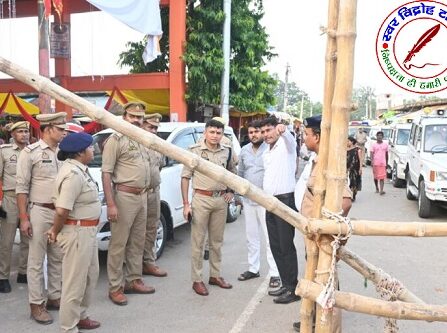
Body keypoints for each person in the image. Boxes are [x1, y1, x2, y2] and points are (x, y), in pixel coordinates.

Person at [293, 115, 352, 332]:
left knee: (326, 279)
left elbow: (345, 201)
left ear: (316, 137)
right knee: (318, 277)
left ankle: (326, 323)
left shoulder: (329, 164)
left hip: (322, 237)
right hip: (313, 234)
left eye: (306, 135)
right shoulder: (317, 159)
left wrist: (326, 228)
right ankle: (317, 318)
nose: (304, 138)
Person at [47, 132, 101, 333]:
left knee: (90, 276)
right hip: (77, 232)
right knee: (74, 282)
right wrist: (54, 230)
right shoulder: (72, 175)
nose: (93, 150)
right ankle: (68, 327)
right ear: (80, 152)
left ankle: (81, 315)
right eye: (89, 148)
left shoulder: (81, 170)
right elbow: (62, 210)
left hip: (88, 231)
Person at [16, 112, 67, 324]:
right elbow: (21, 188)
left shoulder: (65, 152)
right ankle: (36, 304)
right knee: (36, 260)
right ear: (47, 129)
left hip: (60, 212)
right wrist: (24, 218)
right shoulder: (30, 152)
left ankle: (55, 297)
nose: (64, 132)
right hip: (39, 211)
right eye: (60, 128)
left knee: (57, 257)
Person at [102, 101, 154, 306]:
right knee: (118, 244)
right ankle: (115, 287)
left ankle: (134, 280)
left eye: (140, 117)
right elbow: (106, 172)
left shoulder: (143, 139)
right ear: (124, 117)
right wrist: (111, 204)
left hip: (142, 197)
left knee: (137, 241)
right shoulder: (115, 139)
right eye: (133, 116)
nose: (137, 120)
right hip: (124, 197)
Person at [181, 119, 237, 296]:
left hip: (220, 201)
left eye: (218, 133)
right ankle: (197, 280)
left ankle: (215, 275)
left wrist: (231, 190)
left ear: (222, 135)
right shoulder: (194, 152)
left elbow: (231, 173)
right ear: (205, 133)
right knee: (198, 242)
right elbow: (185, 178)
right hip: (201, 199)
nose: (215, 136)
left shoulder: (227, 151)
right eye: (212, 132)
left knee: (216, 242)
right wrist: (186, 205)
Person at [260, 116, 300, 304]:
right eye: (263, 131)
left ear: (277, 129)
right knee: (276, 246)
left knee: (286, 246)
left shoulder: (286, 145)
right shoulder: (266, 152)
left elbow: (291, 140)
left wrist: (285, 131)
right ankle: (285, 283)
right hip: (269, 203)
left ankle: (293, 288)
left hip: (284, 201)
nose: (265, 134)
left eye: (269, 130)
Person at [237, 120, 280, 288]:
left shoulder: (269, 150)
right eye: (251, 132)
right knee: (251, 237)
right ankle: (253, 268)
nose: (254, 135)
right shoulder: (244, 151)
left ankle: (275, 273)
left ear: (263, 133)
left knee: (270, 238)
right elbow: (240, 173)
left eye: (257, 132)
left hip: (265, 201)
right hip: (248, 200)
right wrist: (237, 195)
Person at [0, 121, 30, 293]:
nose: (24, 134)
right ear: (12, 135)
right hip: (10, 199)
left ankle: (23, 272)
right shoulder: (4, 152)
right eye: (20, 131)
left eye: (26, 131)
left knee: (28, 238)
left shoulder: (33, 151)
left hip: (28, 199)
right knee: (6, 240)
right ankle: (3, 276)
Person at [141, 113, 168, 277]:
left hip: (153, 192)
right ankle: (134, 267)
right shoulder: (136, 143)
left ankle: (149, 263)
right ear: (143, 125)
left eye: (156, 128)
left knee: (152, 229)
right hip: (138, 193)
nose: (153, 130)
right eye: (150, 127)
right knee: (136, 232)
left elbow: (160, 167)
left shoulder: (159, 145)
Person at [370, 131, 388, 195]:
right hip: (375, 163)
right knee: (375, 177)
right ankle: (377, 188)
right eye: (378, 135)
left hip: (383, 163)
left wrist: (387, 163)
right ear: (376, 136)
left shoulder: (385, 144)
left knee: (382, 177)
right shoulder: (374, 145)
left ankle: (381, 190)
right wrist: (372, 161)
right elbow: (371, 153)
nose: (379, 136)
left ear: (383, 137)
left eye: (381, 135)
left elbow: (386, 154)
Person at [347, 136, 362, 201]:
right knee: (348, 182)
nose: (347, 142)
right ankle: (349, 194)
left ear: (352, 142)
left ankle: (353, 195)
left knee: (354, 182)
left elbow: (360, 159)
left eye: (348, 141)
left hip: (355, 168)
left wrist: (360, 169)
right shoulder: (346, 149)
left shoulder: (357, 150)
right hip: (347, 168)